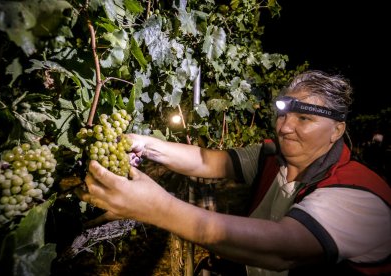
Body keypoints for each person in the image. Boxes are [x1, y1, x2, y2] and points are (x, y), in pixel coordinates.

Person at [76, 70, 391, 276]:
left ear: (337, 130)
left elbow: (283, 251)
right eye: (283, 115)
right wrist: (146, 145)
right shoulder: (273, 155)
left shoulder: (359, 195)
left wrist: (157, 209)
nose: (285, 128)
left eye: (304, 119)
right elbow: (207, 161)